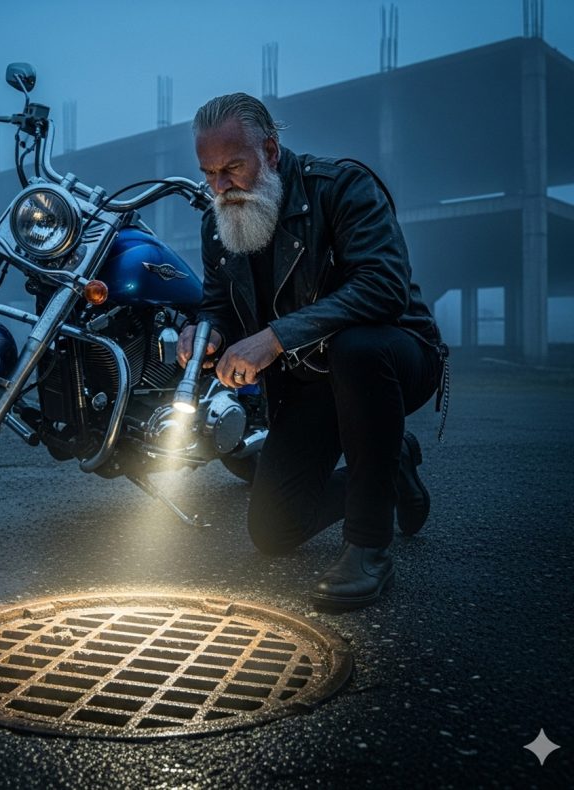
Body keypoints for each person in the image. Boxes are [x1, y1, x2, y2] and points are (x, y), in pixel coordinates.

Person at [177, 93, 447, 612]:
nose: (221, 187)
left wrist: (275, 337)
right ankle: (392, 462)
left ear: (270, 151)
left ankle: (369, 547)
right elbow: (218, 303)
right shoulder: (216, 222)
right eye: (209, 173)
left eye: (232, 168)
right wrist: (206, 332)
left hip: (394, 358)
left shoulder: (342, 186)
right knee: (274, 531)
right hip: (310, 382)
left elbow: (383, 286)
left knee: (356, 347)